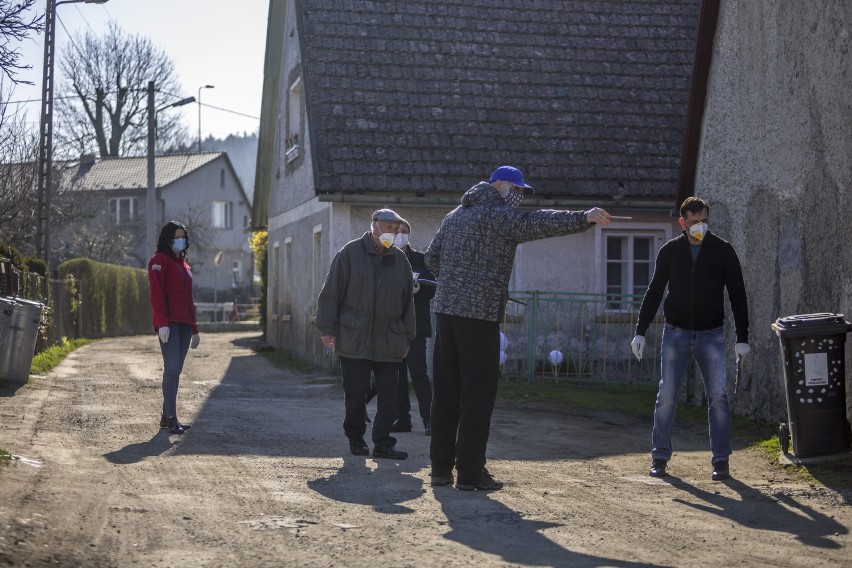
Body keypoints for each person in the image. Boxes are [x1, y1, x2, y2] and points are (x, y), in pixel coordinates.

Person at [425, 165, 612, 491]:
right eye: (517, 189)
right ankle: (470, 473)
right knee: (477, 395)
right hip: (480, 315)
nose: (520, 196)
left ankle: (440, 470)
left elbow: (431, 257)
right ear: (498, 185)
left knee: (446, 392)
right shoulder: (497, 216)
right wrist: (584, 217)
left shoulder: (455, 215)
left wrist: (455, 284)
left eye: (523, 192)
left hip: (445, 312)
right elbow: (536, 223)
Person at [630, 196, 749, 482]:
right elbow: (655, 291)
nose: (700, 226)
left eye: (705, 220)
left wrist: (743, 337)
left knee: (718, 396)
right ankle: (659, 457)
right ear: (683, 222)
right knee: (667, 396)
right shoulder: (670, 251)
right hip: (676, 332)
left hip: (712, 334)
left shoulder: (723, 251)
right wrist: (640, 331)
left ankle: (721, 460)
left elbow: (737, 294)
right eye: (695, 221)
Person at [316, 208, 416, 460]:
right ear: (373, 226)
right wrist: (327, 329)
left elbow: (407, 304)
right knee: (356, 392)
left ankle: (382, 443)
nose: (391, 232)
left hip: (389, 339)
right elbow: (331, 293)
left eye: (395, 228)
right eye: (387, 226)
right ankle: (356, 437)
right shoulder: (350, 254)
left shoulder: (399, 261)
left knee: (389, 394)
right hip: (354, 337)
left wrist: (407, 337)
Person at [148, 220, 200, 435]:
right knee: (172, 368)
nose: (180, 240)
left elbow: (189, 298)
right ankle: (171, 418)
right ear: (168, 238)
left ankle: (164, 417)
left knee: (176, 370)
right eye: (176, 237)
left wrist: (195, 328)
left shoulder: (185, 265)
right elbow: (157, 294)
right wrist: (162, 323)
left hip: (185, 325)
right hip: (169, 325)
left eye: (183, 237)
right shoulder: (158, 261)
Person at [389, 219, 436, 436]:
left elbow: (431, 289)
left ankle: (429, 419)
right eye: (396, 231)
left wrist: (417, 290)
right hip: (393, 326)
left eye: (404, 231)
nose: (399, 234)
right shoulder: (386, 257)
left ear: (409, 234)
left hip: (416, 326)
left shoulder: (421, 259)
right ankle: (402, 417)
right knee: (396, 374)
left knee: (418, 373)